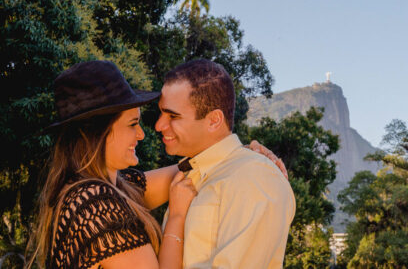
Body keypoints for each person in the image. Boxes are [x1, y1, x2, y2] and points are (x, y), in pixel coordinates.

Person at [27, 60, 286, 269]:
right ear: (94, 134)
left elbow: (198, 165)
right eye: (131, 125)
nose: (145, 133)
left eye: (171, 115)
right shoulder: (94, 203)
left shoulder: (99, 190)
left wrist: (245, 156)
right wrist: (176, 217)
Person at [156, 59, 296, 269]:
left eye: (173, 116)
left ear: (214, 120)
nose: (159, 125)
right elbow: (122, 189)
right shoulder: (189, 175)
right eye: (161, 113)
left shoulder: (255, 177)